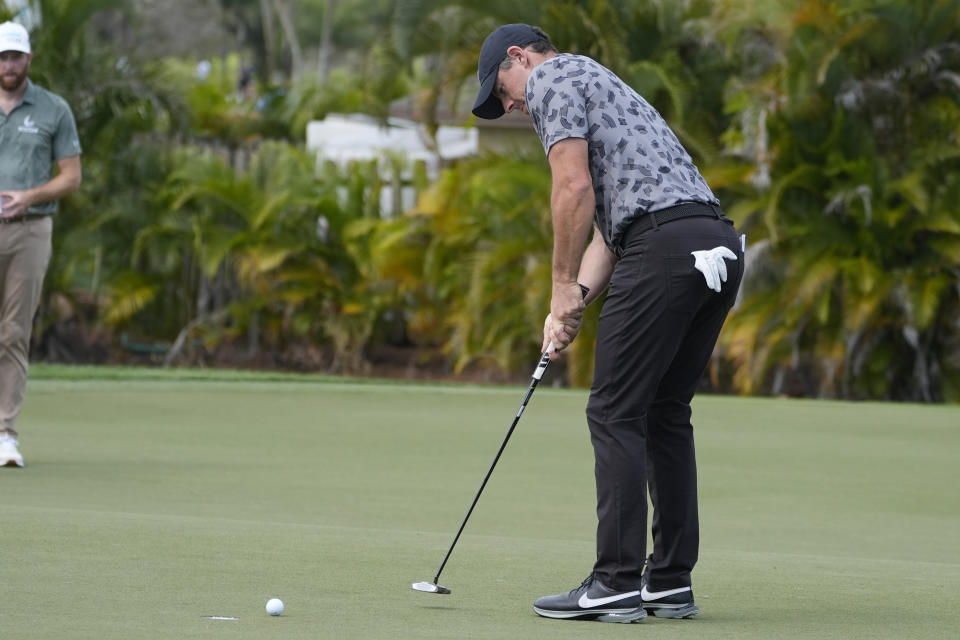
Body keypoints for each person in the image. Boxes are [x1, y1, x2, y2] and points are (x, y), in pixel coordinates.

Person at [472, 24, 743, 623]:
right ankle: (668, 582)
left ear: (518, 58)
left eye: (503, 90)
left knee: (613, 411)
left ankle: (614, 581)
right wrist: (570, 306)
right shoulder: (603, 82)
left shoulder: (553, 79)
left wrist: (560, 283)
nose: (512, 105)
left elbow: (573, 189)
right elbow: (611, 231)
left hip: (666, 249)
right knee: (663, 413)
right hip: (713, 245)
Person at [0, 21, 82, 468]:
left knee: (13, 331)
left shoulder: (53, 109)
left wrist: (29, 196)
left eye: (15, 56)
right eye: (1, 57)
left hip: (30, 231)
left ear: (28, 59)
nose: (8, 64)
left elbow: (72, 176)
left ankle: (5, 433)